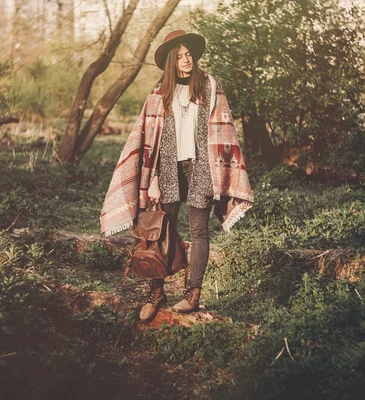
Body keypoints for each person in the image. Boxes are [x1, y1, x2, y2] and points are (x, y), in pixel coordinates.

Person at [100, 30, 253, 323]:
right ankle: (156, 293)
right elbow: (149, 141)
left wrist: (218, 173)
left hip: (200, 168)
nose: (186, 60)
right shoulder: (160, 93)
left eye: (189, 55)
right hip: (168, 168)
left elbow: (223, 131)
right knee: (157, 230)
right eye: (180, 57)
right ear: (171, 61)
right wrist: (153, 179)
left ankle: (192, 293)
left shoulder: (210, 86)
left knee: (199, 231)